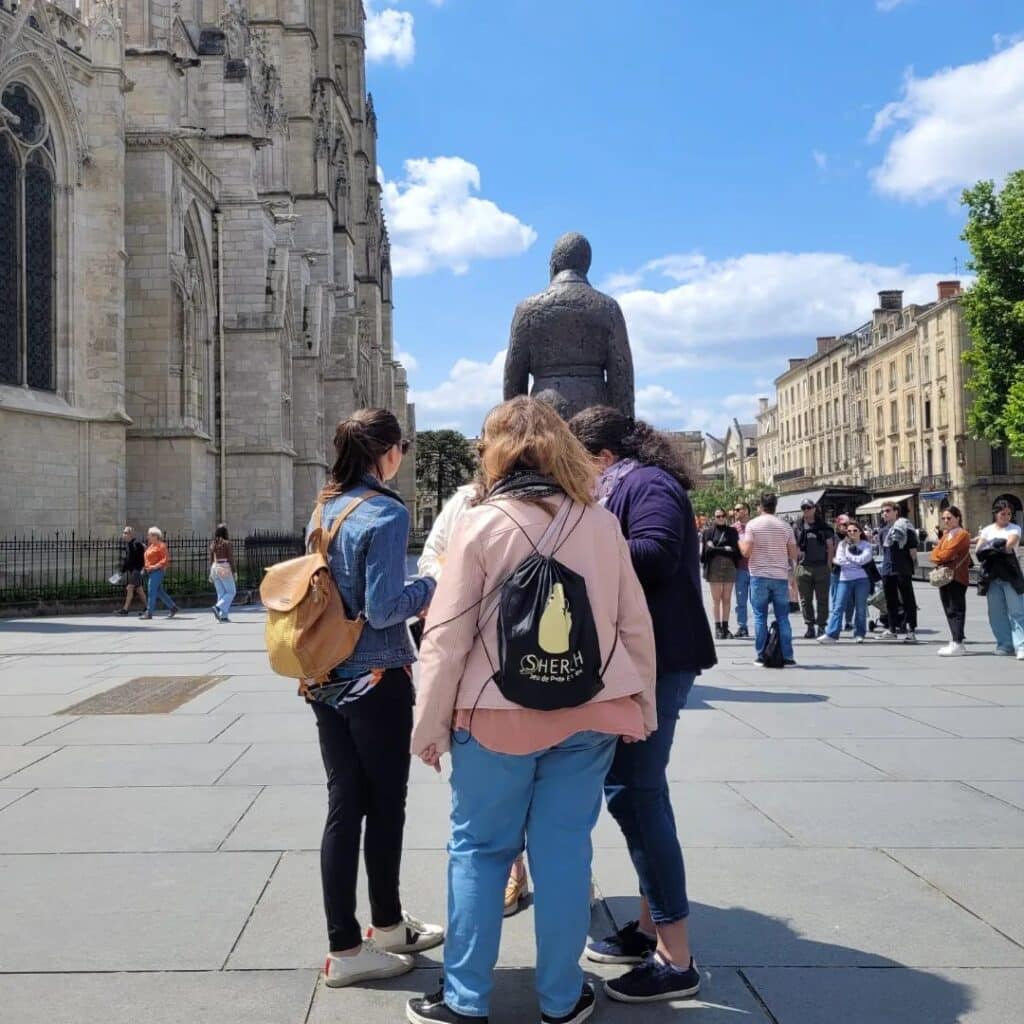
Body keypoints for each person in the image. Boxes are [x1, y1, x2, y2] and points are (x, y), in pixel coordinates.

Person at [407, 398, 659, 1024]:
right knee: (566, 852)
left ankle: (465, 1000)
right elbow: (634, 625)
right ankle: (560, 996)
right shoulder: (600, 523)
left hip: (495, 714)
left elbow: (447, 634)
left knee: (480, 851)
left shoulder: (480, 521)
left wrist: (430, 722)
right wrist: (642, 704)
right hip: (590, 710)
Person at [570, 405, 715, 1004]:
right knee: (636, 793)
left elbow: (653, 552)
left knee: (637, 793)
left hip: (658, 661)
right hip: (641, 660)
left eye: (580, 465)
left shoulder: (647, 484)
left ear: (603, 457)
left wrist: (583, 541)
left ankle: (676, 959)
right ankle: (654, 927)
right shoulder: (627, 483)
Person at [310, 408, 443, 990]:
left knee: (345, 806)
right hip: (376, 678)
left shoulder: (325, 506)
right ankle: (373, 934)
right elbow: (386, 607)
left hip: (324, 677)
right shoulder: (387, 512)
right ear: (386, 452)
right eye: (402, 449)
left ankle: (358, 936)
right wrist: (436, 581)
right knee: (385, 805)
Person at [419, 483, 535, 919]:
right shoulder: (466, 502)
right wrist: (459, 574)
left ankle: (563, 879)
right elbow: (432, 557)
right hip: (484, 668)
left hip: (547, 662)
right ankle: (513, 867)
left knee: (552, 801)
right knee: (492, 798)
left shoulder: (567, 500)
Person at [740, 493, 799, 667]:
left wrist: (739, 542)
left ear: (760, 506)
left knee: (760, 617)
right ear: (775, 506)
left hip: (759, 576)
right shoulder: (785, 526)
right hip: (780, 576)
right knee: (783, 617)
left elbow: (746, 552)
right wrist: (792, 575)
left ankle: (761, 655)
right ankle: (788, 657)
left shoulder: (753, 525)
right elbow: (793, 554)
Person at [975, 499, 1024, 659]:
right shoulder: (987, 529)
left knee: (1017, 611)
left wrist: (992, 546)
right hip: (992, 573)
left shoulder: (1015, 528)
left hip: (1010, 573)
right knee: (996, 612)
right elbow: (978, 549)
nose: (1006, 517)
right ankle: (1004, 644)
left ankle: (1021, 645)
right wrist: (995, 545)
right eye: (1003, 514)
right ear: (996, 514)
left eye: (1009, 514)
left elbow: (1009, 545)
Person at [818, 521, 873, 643]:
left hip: (862, 580)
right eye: (849, 531)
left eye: (855, 530)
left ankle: (859, 633)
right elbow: (839, 561)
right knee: (838, 607)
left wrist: (849, 558)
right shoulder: (842, 544)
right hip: (844, 579)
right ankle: (831, 634)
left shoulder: (866, 545)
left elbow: (864, 559)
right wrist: (854, 560)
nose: (852, 533)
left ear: (860, 532)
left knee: (860, 608)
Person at [931, 506, 971, 657]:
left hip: (957, 576)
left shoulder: (962, 534)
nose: (946, 521)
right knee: (948, 608)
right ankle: (955, 640)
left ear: (958, 518)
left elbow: (946, 554)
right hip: (945, 575)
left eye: (949, 518)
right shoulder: (947, 534)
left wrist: (940, 555)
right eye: (944, 518)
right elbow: (935, 554)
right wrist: (939, 555)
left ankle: (958, 642)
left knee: (956, 609)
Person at [877, 501, 920, 643]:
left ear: (896, 511)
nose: (885, 513)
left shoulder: (906, 528)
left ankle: (911, 630)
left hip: (902, 568)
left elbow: (913, 551)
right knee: (890, 601)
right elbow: (884, 551)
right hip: (887, 569)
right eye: (883, 511)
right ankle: (892, 629)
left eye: (888, 510)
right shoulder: (883, 530)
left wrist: (912, 566)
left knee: (908, 600)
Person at [793, 499, 835, 639]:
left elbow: (830, 546)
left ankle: (821, 626)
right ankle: (810, 626)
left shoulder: (824, 526)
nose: (806, 510)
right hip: (802, 567)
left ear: (814, 509)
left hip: (821, 566)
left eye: (808, 507)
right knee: (805, 599)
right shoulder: (797, 526)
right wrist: (794, 566)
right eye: (803, 508)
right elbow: (792, 547)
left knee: (822, 598)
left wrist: (829, 565)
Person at [701, 509, 740, 639]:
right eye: (718, 516)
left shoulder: (732, 532)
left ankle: (725, 628)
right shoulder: (708, 532)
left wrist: (716, 549)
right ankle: (717, 628)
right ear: (714, 517)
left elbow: (734, 550)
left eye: (723, 516)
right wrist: (724, 549)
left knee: (727, 599)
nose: (721, 518)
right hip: (714, 567)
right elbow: (708, 550)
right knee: (716, 600)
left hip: (729, 567)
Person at [140, 527, 178, 620]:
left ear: (155, 536)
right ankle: (173, 607)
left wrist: (154, 566)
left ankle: (149, 613)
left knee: (151, 591)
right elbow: (147, 559)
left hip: (157, 571)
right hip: (150, 571)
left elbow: (165, 559)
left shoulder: (161, 546)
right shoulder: (151, 546)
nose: (148, 537)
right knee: (159, 591)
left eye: (149, 535)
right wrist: (145, 568)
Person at [828, 515, 856, 632]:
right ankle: (837, 622)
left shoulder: (853, 536)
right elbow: (830, 553)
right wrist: (829, 567)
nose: (845, 527)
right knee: (836, 598)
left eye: (847, 524)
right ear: (838, 525)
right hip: (836, 571)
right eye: (843, 525)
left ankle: (848, 621)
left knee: (850, 598)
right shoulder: (833, 537)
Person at [209, 524, 236, 623]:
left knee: (221, 593)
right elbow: (231, 559)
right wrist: (234, 571)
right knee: (231, 592)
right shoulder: (227, 543)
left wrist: (210, 573)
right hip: (224, 568)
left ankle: (223, 616)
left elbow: (211, 559)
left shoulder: (213, 544)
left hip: (215, 568)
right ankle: (218, 607)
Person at [732, 502, 752, 638]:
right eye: (735, 510)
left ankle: (760, 626)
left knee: (757, 600)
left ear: (746, 511)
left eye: (738, 509)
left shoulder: (754, 526)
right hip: (739, 568)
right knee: (741, 600)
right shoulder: (733, 529)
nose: (736, 512)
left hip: (755, 568)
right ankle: (742, 626)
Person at [117, 526, 146, 615]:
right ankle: (148, 607)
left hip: (137, 571)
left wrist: (142, 569)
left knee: (130, 588)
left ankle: (125, 609)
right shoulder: (128, 544)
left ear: (131, 534)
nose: (123, 535)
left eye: (125, 533)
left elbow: (142, 558)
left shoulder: (137, 544)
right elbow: (128, 560)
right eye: (123, 533)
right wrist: (122, 572)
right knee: (139, 590)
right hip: (133, 571)